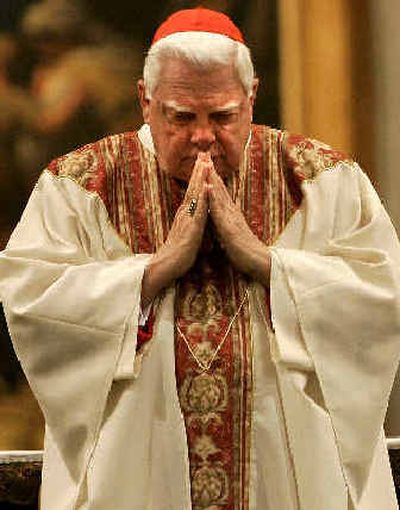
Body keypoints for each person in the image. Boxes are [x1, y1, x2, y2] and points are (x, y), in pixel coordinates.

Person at [0, 7, 399, 510]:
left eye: (224, 116)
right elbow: (32, 302)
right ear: (146, 101)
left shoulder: (323, 179)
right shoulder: (78, 185)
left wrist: (265, 262)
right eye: (182, 117)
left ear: (251, 97)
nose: (204, 136)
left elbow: (381, 296)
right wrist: (153, 272)